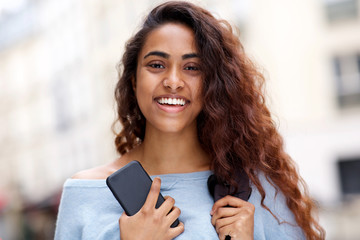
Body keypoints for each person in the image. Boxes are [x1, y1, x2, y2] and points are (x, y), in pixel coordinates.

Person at [54, 1, 325, 239]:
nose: (173, 81)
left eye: (192, 68)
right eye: (156, 65)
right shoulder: (84, 193)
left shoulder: (259, 192)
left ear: (213, 85)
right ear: (134, 81)